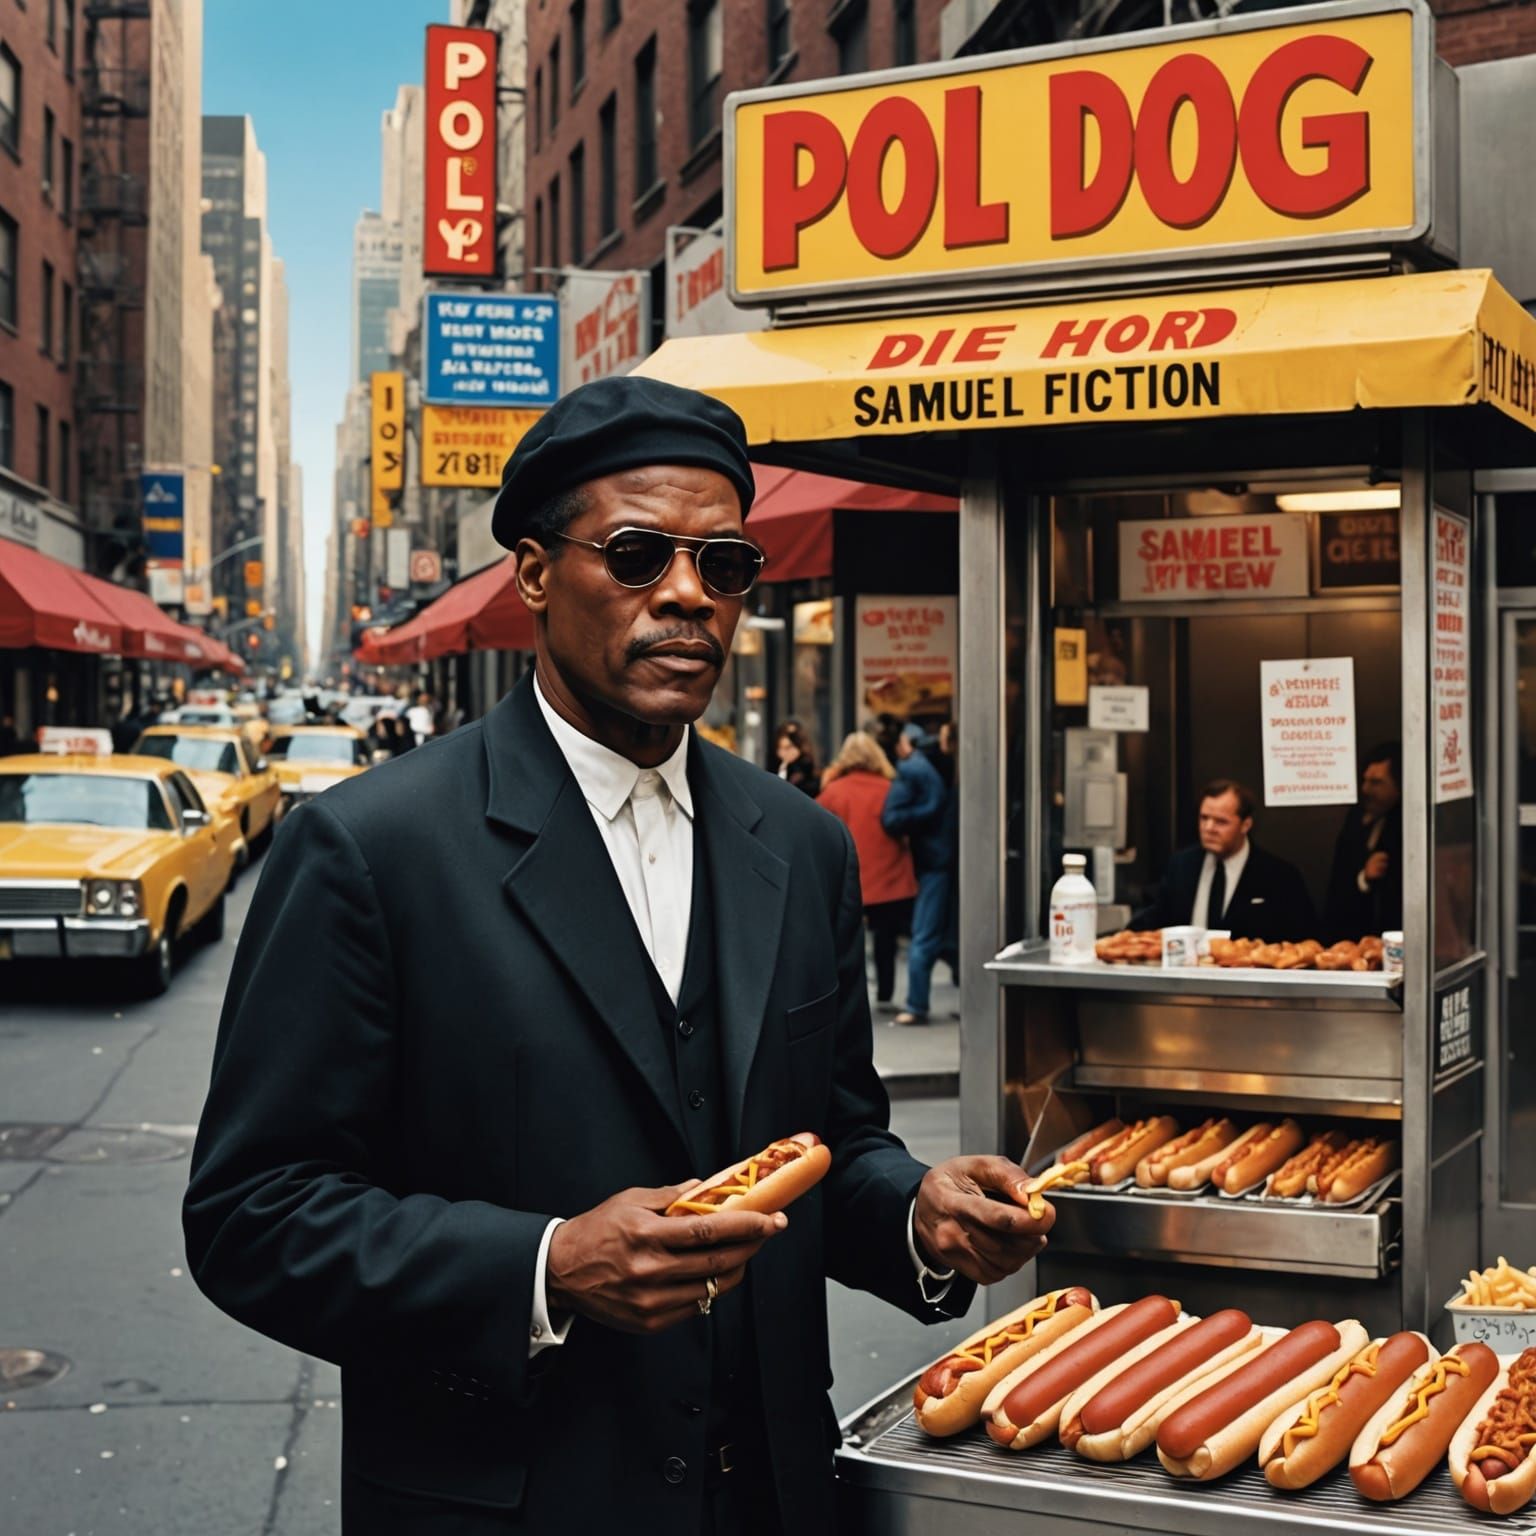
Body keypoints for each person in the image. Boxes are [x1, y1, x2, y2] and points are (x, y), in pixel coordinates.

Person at [183, 375, 1050, 1536]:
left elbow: (830, 1143)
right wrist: (543, 1266)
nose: (687, 596)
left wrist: (919, 1216)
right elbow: (253, 1215)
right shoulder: (369, 849)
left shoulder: (797, 844)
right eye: (638, 554)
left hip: (775, 1503)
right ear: (536, 575)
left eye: (724, 565)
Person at [1131, 778, 1315, 942]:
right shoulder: (1181, 866)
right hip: (1187, 976)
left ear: (1246, 825)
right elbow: (1154, 922)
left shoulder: (1279, 876)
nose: (1208, 828)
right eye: (1204, 818)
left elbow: (1301, 942)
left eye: (1221, 821)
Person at [816, 732, 917, 1011]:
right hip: (888, 875)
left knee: (846, 939)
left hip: (850, 878)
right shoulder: (890, 787)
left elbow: (816, 830)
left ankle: (847, 995)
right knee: (886, 940)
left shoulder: (834, 791)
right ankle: (885, 994)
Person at [881, 722, 952, 1025]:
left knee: (927, 932)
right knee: (929, 931)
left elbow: (892, 817)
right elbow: (895, 816)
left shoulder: (914, 769)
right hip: (937, 858)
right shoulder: (927, 768)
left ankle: (916, 1003)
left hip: (933, 858)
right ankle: (916, 1002)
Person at [1324, 743, 1403, 941]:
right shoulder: (1355, 821)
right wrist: (1363, 878)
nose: (1365, 789)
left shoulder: (1409, 826)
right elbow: (1339, 881)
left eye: (1376, 783)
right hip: (1354, 936)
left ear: (1399, 786)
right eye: (1364, 781)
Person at [769, 719, 819, 796]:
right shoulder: (776, 767)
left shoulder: (807, 770)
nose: (783, 752)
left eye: (788, 747)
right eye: (779, 748)